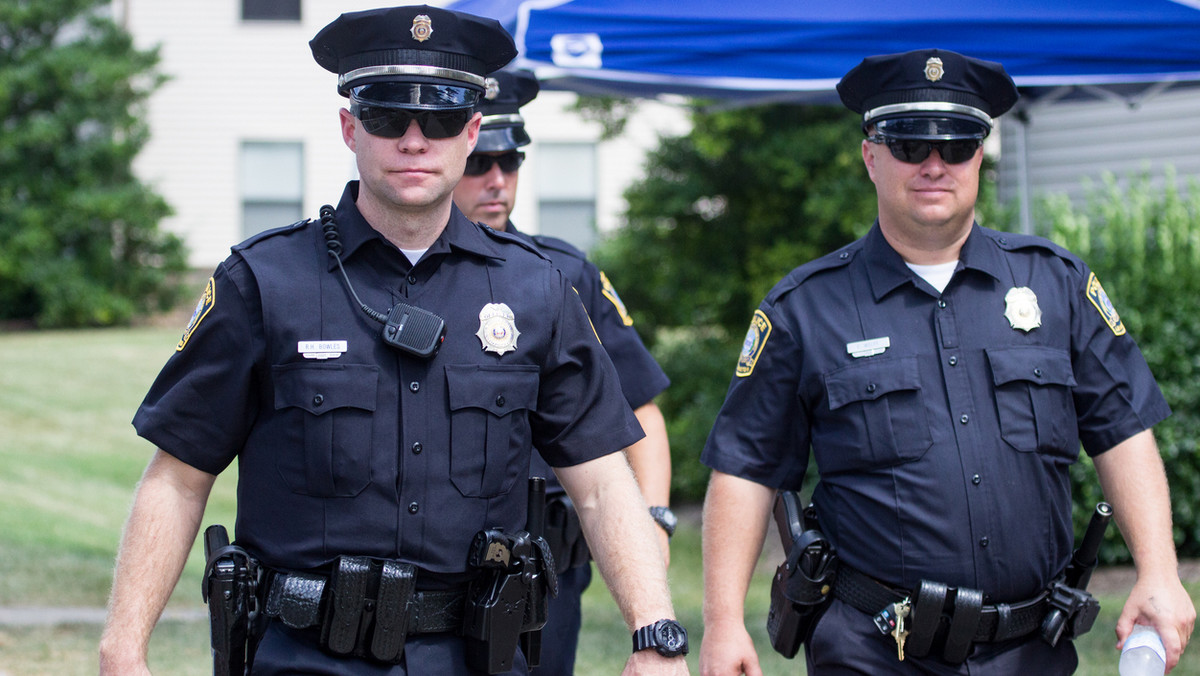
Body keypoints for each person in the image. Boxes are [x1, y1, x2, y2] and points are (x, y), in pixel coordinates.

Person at [98, 6, 690, 675]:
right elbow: (179, 478)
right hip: (303, 656)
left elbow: (602, 484)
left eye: (438, 118)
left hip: (479, 656)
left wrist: (655, 633)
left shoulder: (537, 291)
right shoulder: (262, 282)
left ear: (470, 132)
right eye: (386, 116)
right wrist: (123, 648)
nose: (414, 140)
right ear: (350, 127)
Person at [698, 48, 1195, 675]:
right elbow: (746, 469)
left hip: (1029, 648)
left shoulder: (1057, 285)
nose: (935, 164)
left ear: (980, 155)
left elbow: (1122, 431)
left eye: (957, 144)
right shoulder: (806, 308)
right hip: (875, 650)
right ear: (870, 155)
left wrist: (1157, 570)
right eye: (908, 144)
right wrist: (722, 623)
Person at [453, 68, 676, 674]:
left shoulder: (560, 273)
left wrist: (654, 519)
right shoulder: (400, 274)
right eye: (480, 164)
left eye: (511, 162)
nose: (496, 180)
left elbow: (641, 408)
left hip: (545, 565)